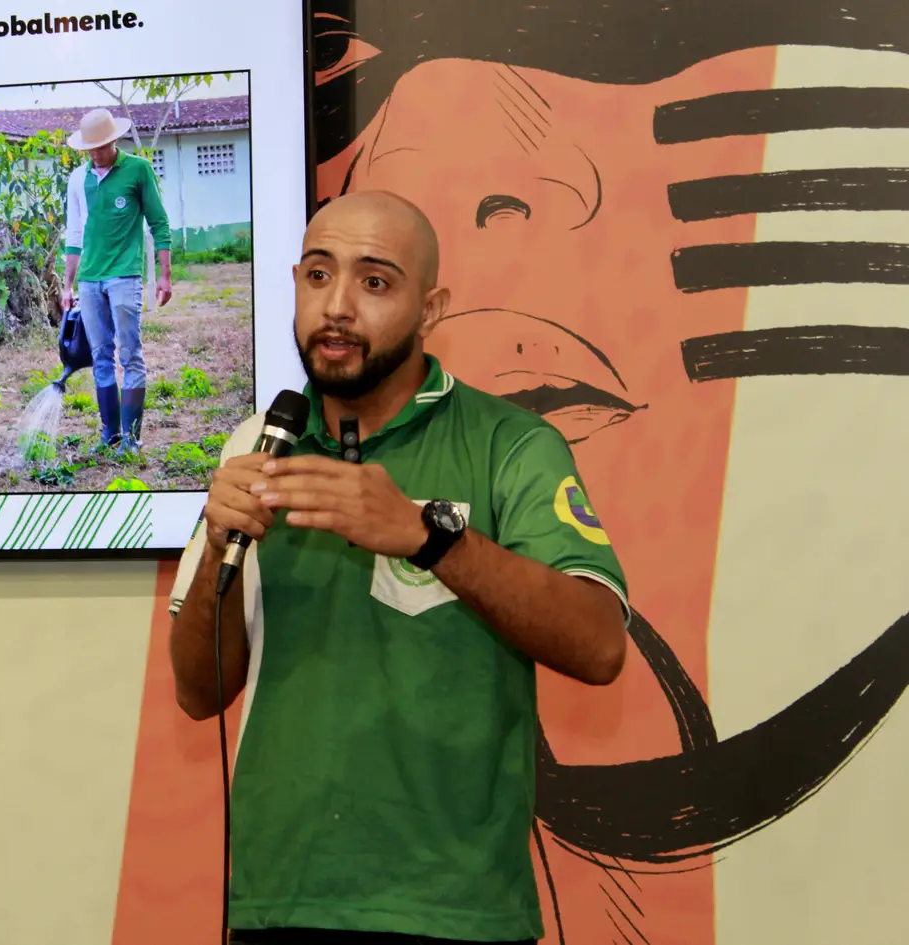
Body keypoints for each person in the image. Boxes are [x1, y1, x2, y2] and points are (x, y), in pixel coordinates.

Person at [167, 189, 630, 944]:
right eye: (318, 275)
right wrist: (220, 542)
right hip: (279, 900)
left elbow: (600, 645)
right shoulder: (259, 444)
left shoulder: (510, 444)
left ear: (430, 309)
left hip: (457, 912)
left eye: (375, 281)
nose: (337, 307)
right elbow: (198, 692)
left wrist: (428, 537)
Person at [62, 107, 174, 456]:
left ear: (113, 141)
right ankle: (110, 435)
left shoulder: (138, 170)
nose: (95, 154)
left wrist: (165, 275)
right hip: (89, 280)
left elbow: (159, 223)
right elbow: (74, 234)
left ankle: (132, 440)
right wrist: (68, 285)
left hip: (125, 276)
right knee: (100, 356)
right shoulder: (78, 179)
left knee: (130, 355)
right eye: (89, 149)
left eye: (100, 147)